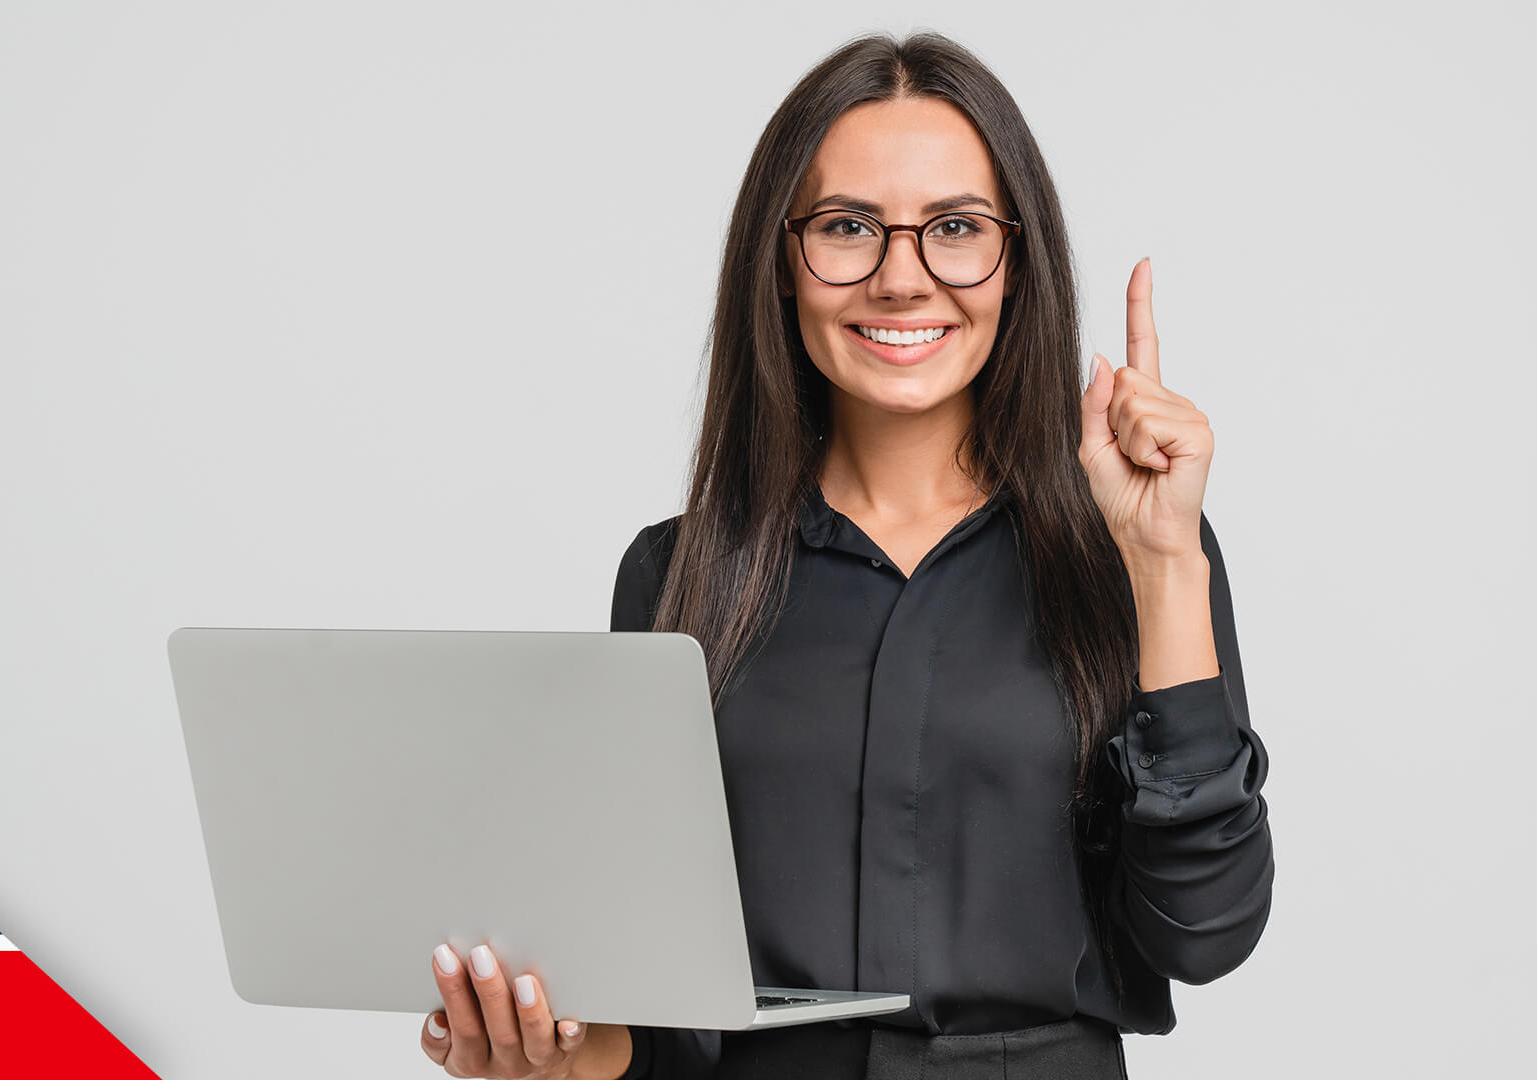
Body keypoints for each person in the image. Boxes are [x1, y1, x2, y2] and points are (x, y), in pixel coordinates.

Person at [416, 29, 1273, 1080]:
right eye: (848, 227)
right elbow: (672, 1022)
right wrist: (562, 1054)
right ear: (784, 262)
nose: (901, 279)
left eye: (954, 228)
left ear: (1017, 261)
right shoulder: (676, 577)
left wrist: (1166, 565)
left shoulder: (1141, 553)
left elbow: (1206, 933)